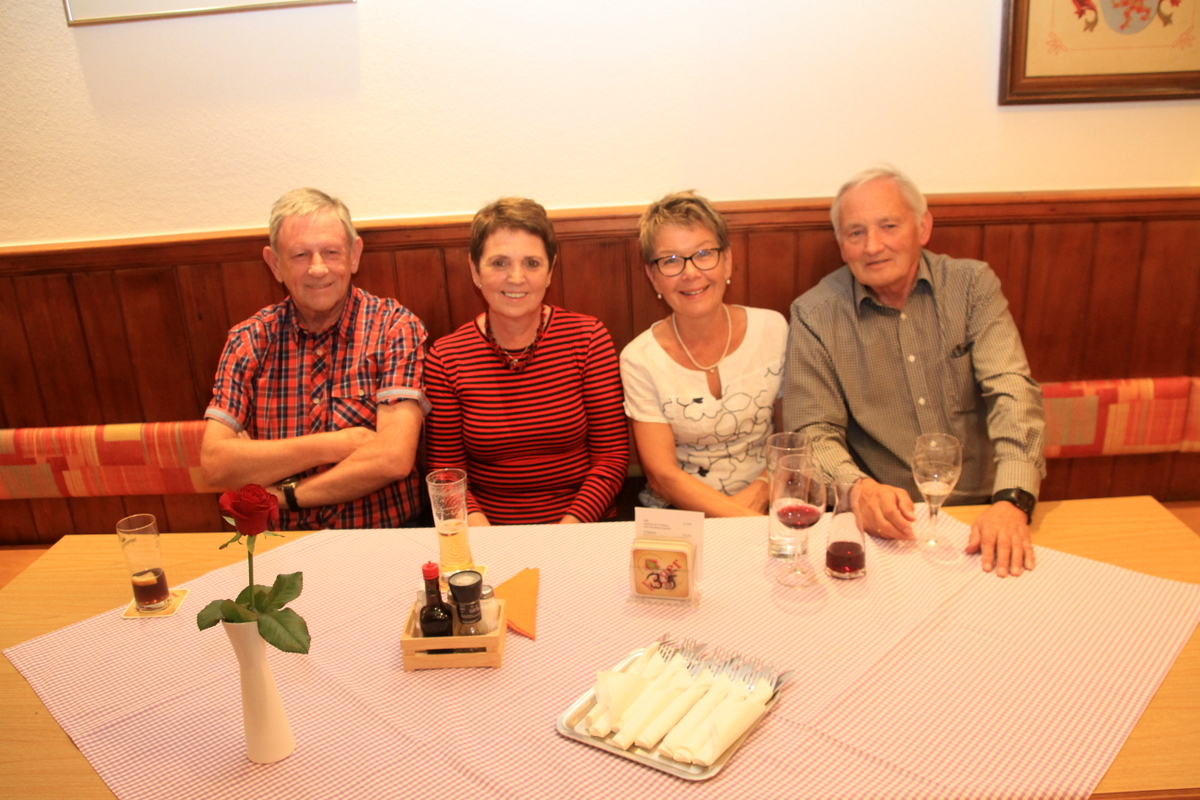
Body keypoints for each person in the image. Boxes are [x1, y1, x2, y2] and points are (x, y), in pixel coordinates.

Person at [783, 166, 1045, 576]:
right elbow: (812, 429)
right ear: (841, 246)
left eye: (889, 226)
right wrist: (859, 489)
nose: (873, 246)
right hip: (889, 525)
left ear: (923, 227)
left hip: (986, 509)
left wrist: (1012, 500)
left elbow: (1012, 391)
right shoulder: (815, 314)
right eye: (856, 233)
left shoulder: (972, 286)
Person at [202, 187, 428, 529]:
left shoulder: (394, 328)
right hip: (280, 543)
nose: (318, 269)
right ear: (275, 264)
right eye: (300, 255)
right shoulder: (248, 340)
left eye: (331, 252)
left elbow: (393, 459)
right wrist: (338, 444)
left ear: (354, 255)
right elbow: (216, 465)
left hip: (383, 536)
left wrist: (282, 495)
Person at [423, 197, 628, 525]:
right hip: (487, 529)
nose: (516, 278)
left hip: (580, 526)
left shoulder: (588, 339)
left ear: (550, 271)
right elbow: (447, 473)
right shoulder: (446, 358)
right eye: (499, 263)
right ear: (475, 270)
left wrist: (568, 530)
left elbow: (611, 458)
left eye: (532, 263)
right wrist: (486, 535)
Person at [620, 191, 787, 516]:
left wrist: (759, 497)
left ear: (727, 260)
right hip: (680, 516)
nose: (691, 273)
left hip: (768, 503)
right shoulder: (639, 359)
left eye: (704, 253)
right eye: (670, 260)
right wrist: (741, 521)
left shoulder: (774, 329)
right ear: (652, 276)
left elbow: (791, 440)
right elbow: (662, 476)